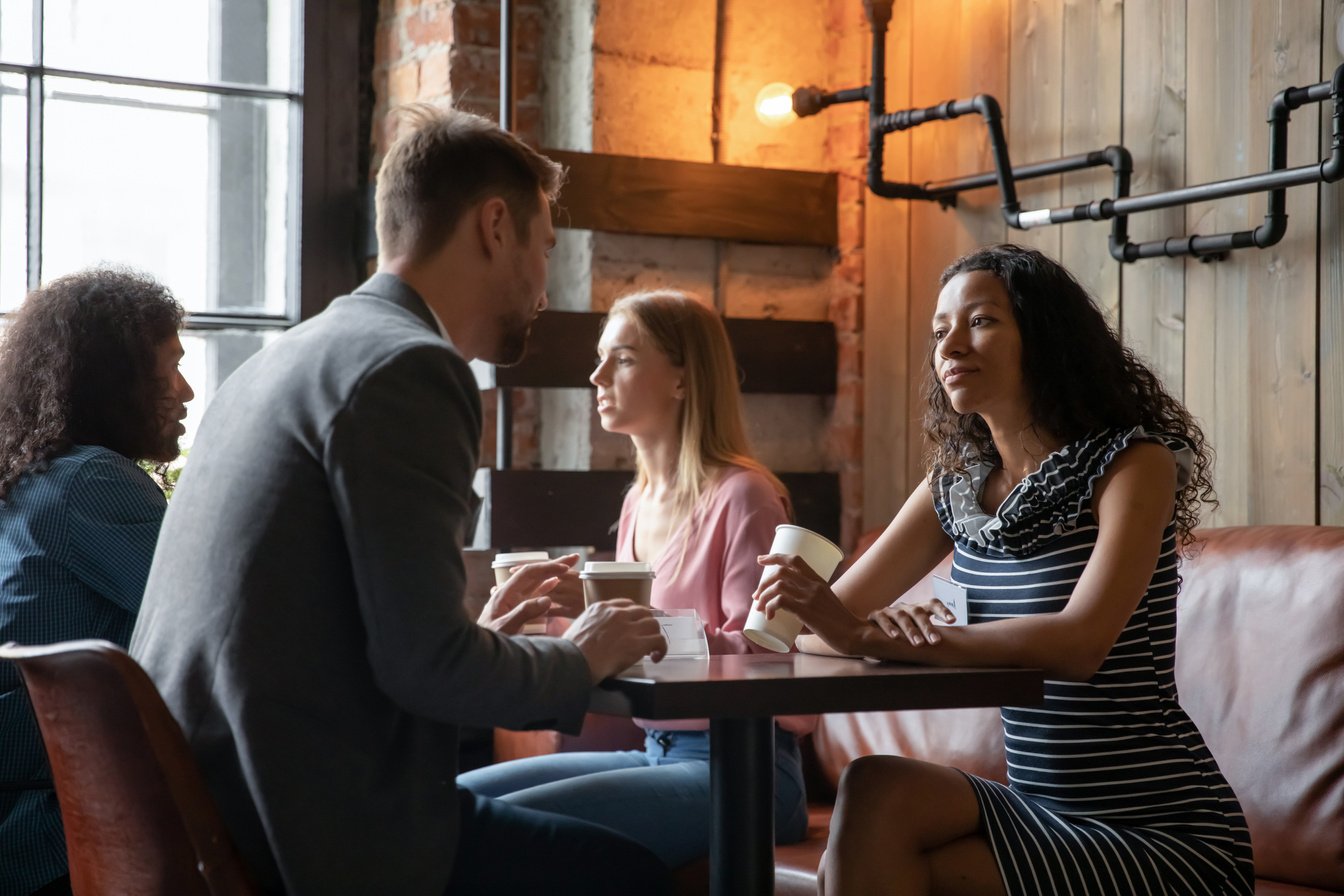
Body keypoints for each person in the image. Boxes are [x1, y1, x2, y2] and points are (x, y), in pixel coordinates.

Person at [129, 104, 670, 896]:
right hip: (309, 836)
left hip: (207, 816)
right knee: (631, 878)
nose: (546, 287)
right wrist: (578, 657)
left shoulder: (284, 361)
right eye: (545, 247)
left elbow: (363, 643)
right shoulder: (410, 369)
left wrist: (478, 638)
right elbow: (425, 669)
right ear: (495, 225)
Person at [755, 244, 1255, 895]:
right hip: (1043, 809)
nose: (951, 346)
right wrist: (853, 620)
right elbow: (823, 628)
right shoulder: (956, 484)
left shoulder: (1132, 465)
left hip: (1161, 830)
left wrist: (871, 636)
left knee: (885, 867)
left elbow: (1081, 645)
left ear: (1044, 338)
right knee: (875, 784)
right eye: (940, 332)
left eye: (981, 321)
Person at [459, 289, 812, 869]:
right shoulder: (638, 502)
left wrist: (633, 628)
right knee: (461, 800)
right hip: (658, 750)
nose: (596, 375)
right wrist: (557, 616)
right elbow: (634, 652)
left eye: (622, 359)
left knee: (494, 834)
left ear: (682, 379)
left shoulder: (744, 496)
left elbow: (766, 650)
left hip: (749, 770)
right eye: (601, 358)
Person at [0, 267, 194, 896]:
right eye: (169, 368)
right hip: (63, 835)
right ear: (118, 383)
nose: (187, 391)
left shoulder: (32, 478)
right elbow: (212, 625)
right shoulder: (92, 482)